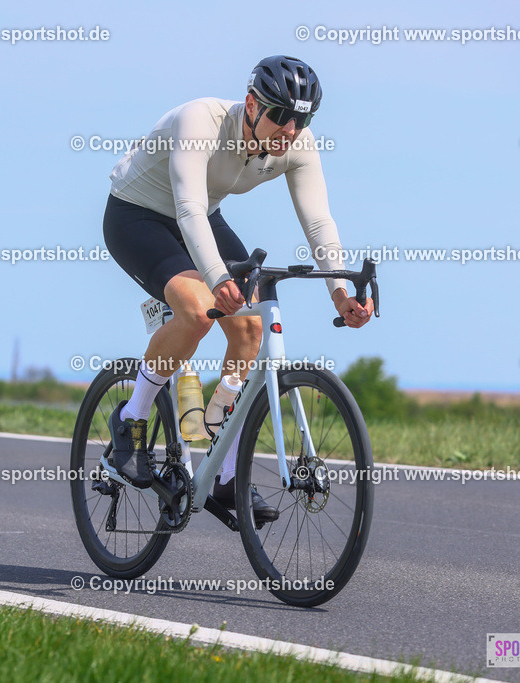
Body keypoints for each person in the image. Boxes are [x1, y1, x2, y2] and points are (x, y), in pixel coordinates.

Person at [102, 56, 375, 523]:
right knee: (197, 308)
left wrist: (340, 293)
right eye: (281, 115)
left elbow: (317, 222)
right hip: (138, 215)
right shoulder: (199, 120)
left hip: (203, 216)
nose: (290, 129)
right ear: (251, 104)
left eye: (302, 119)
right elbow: (186, 208)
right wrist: (217, 278)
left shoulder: (297, 145)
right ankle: (129, 419)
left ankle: (224, 469)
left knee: (250, 330)